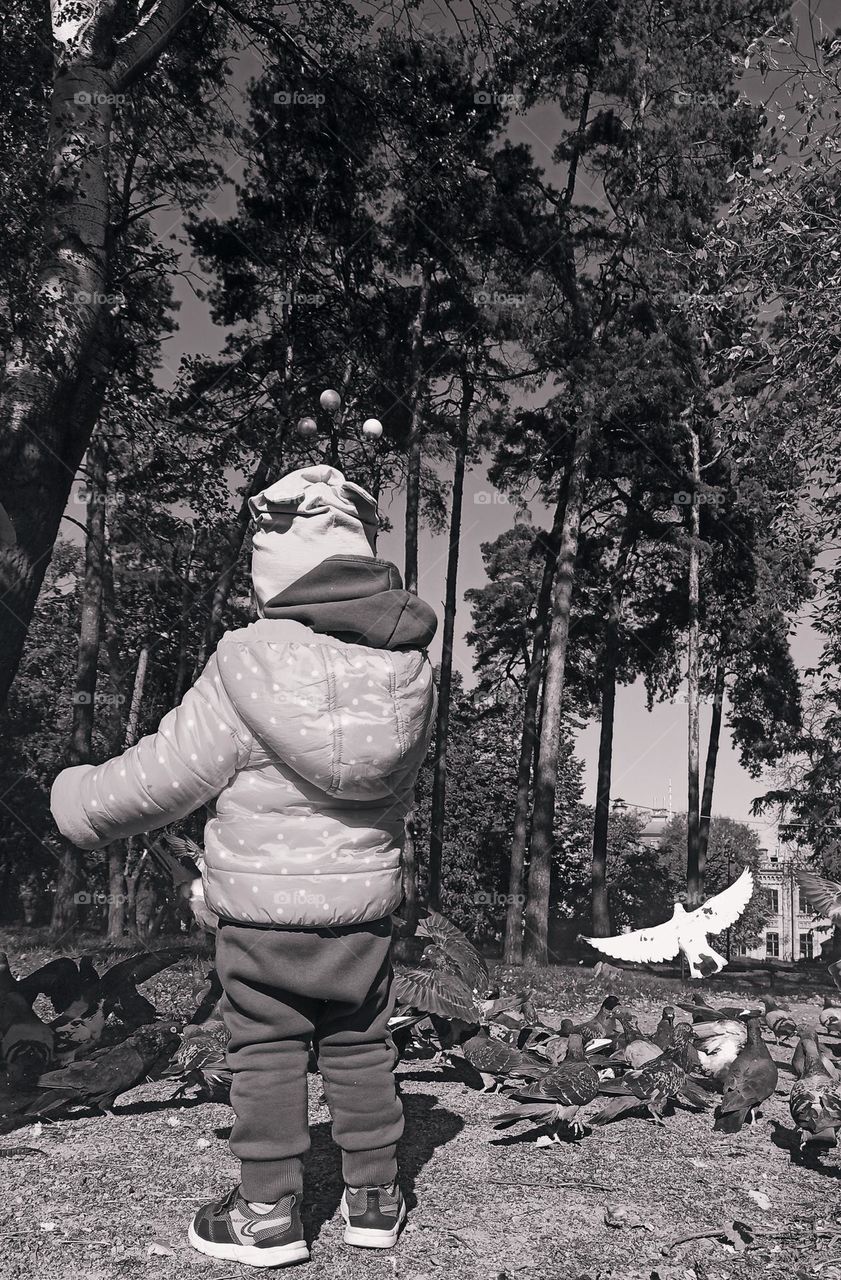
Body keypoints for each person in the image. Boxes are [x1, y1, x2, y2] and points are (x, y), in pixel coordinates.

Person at [51, 465, 438, 1268]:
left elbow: (168, 773)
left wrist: (79, 802)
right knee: (362, 1043)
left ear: (273, 569)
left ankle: (266, 1213)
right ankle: (375, 1197)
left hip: (262, 914)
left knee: (264, 1050)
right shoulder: (407, 669)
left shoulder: (248, 660)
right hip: (362, 910)